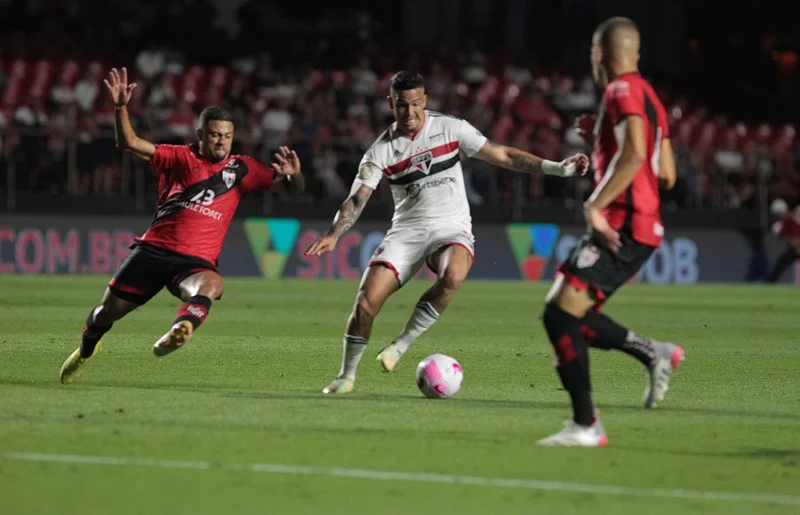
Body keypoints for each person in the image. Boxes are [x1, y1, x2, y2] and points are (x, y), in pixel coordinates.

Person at [305, 70, 590, 395]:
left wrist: (557, 168)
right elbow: (357, 199)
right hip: (407, 232)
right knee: (366, 304)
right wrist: (334, 233)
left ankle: (401, 344)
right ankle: (346, 376)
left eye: (415, 104)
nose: (409, 113)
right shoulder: (381, 151)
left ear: (424, 100)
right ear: (390, 104)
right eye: (401, 105)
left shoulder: (451, 129)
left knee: (454, 274)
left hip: (450, 227)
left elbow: (503, 155)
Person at [59, 67, 305, 384]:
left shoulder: (243, 168)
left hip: (194, 261)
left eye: (227, 136)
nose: (222, 141)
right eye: (215, 135)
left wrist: (294, 174)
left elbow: (292, 189)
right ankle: (86, 350)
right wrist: (120, 107)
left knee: (213, 285)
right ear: (200, 134)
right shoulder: (179, 157)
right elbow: (129, 143)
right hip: (152, 251)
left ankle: (182, 328)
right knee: (105, 314)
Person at [537, 17, 684, 447]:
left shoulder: (619, 90)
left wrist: (595, 204)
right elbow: (668, 172)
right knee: (572, 318)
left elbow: (637, 152)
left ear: (599, 56)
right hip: (644, 225)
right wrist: (602, 135)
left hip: (622, 221)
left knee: (559, 314)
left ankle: (586, 425)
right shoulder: (651, 98)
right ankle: (652, 352)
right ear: (634, 54)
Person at [767, 199, 800, 283]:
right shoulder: (781, 224)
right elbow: (788, 239)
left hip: (796, 247)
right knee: (780, 266)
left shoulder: (796, 216)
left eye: (778, 213)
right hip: (794, 249)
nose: (777, 216)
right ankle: (770, 285)